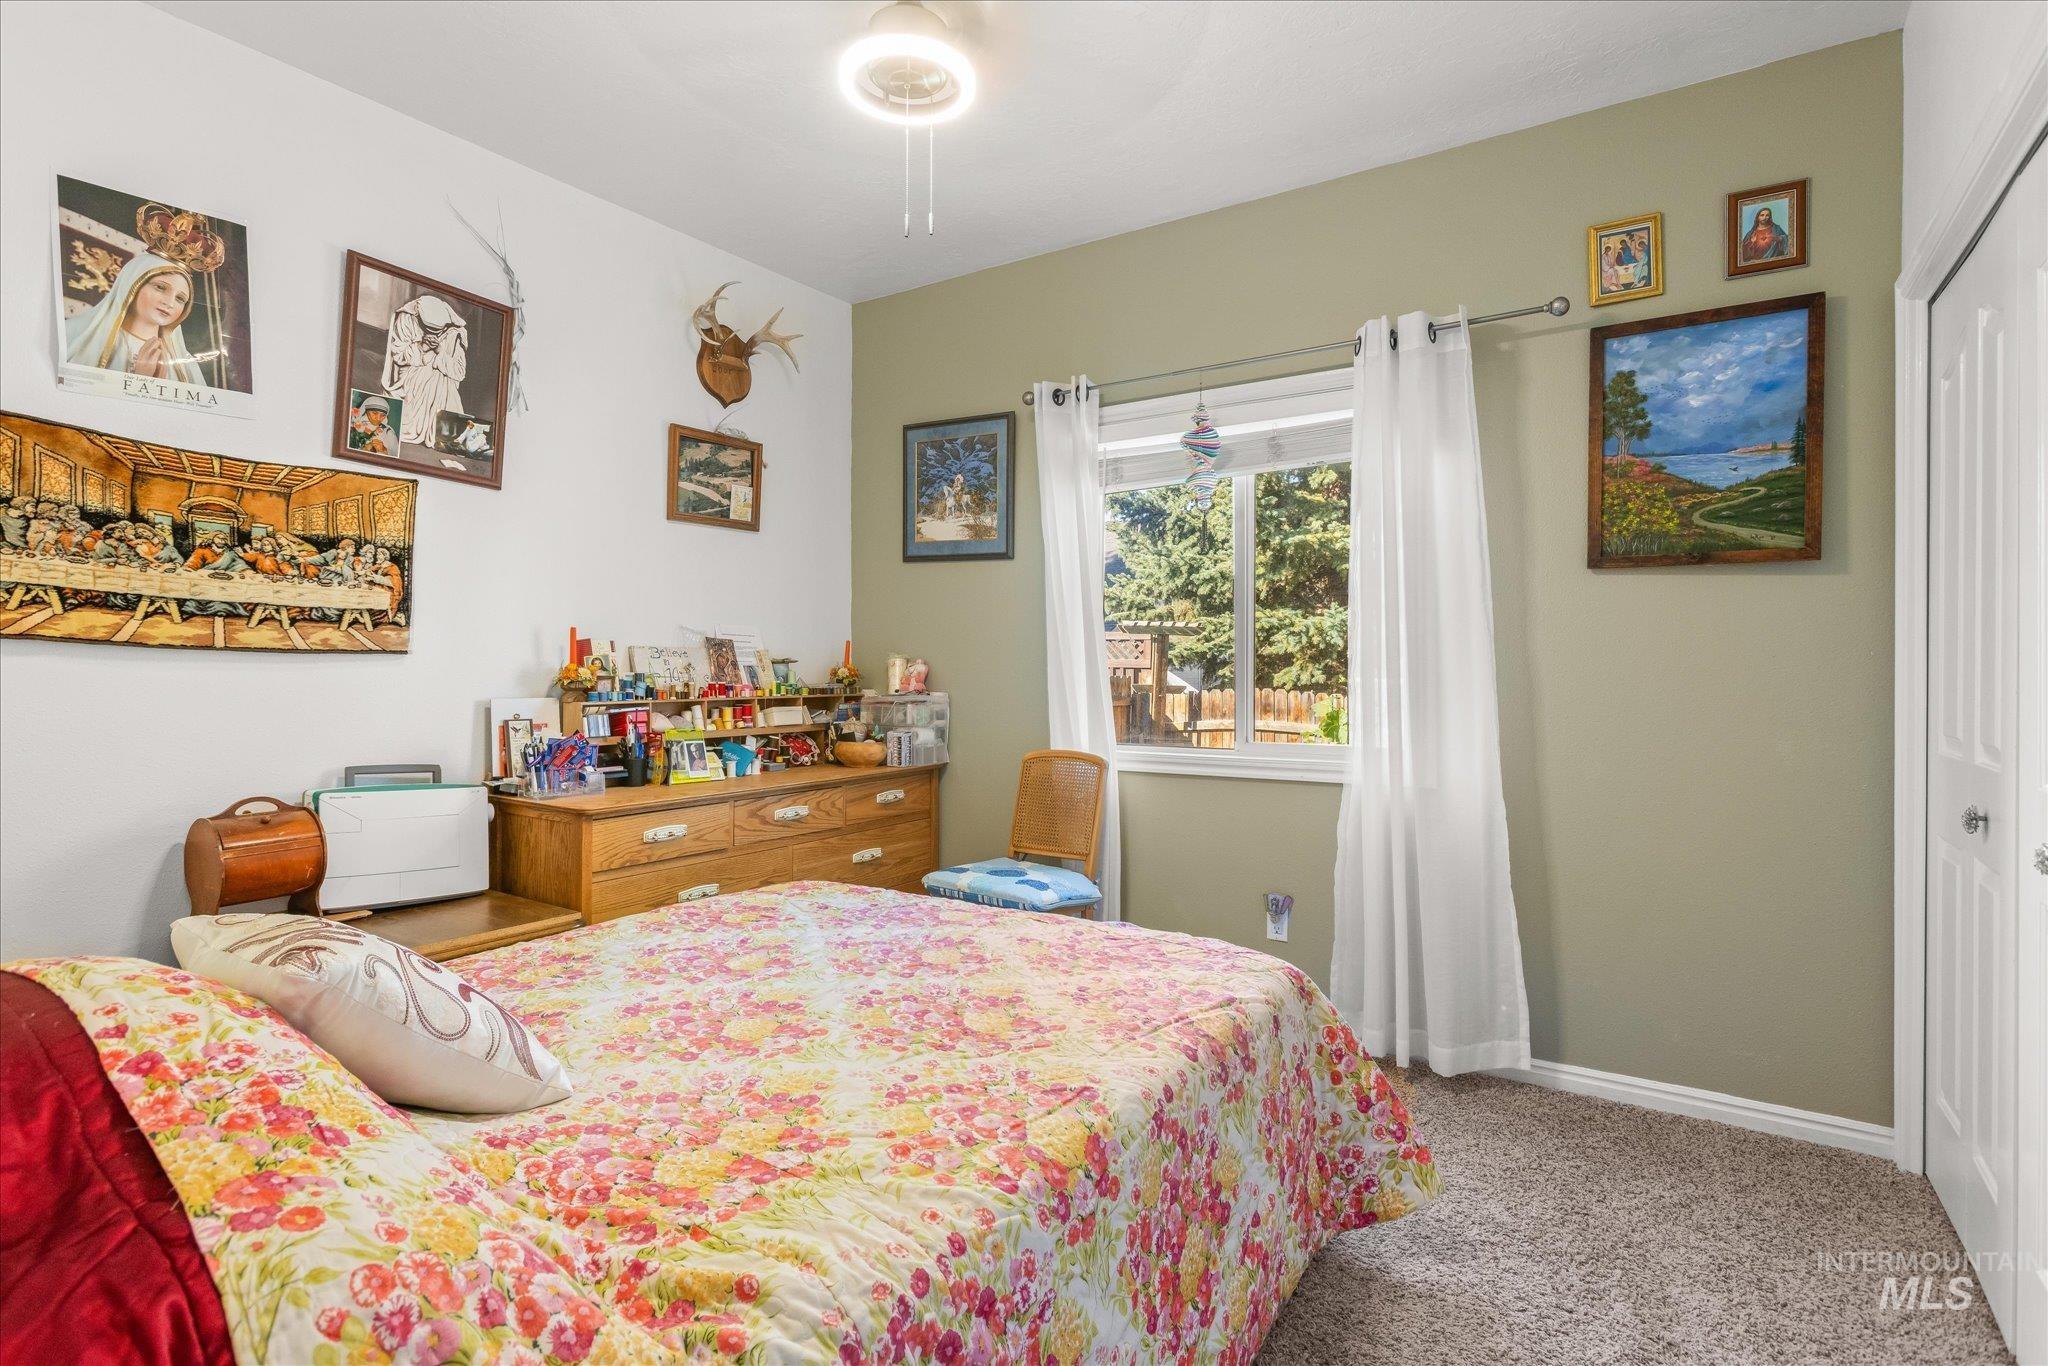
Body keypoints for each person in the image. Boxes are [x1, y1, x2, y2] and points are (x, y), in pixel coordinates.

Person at [62, 252, 209, 384]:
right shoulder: (76, 333)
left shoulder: (185, 363)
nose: (169, 303)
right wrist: (140, 379)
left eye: (180, 299)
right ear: (133, 283)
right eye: (160, 287)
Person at [381, 294, 469, 447]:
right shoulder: (406, 319)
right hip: (411, 378)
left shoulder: (455, 333)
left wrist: (440, 351)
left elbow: (459, 372)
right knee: (402, 423)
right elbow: (399, 356)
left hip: (442, 386)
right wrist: (422, 347)